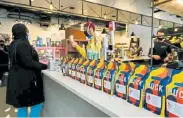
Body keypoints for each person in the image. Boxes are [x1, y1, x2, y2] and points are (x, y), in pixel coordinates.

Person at [6, 24, 47, 117]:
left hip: (17, 80)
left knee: (22, 106)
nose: (27, 33)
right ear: (23, 32)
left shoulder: (13, 44)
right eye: (26, 31)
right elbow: (28, 62)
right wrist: (44, 66)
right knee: (37, 104)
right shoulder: (23, 44)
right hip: (25, 81)